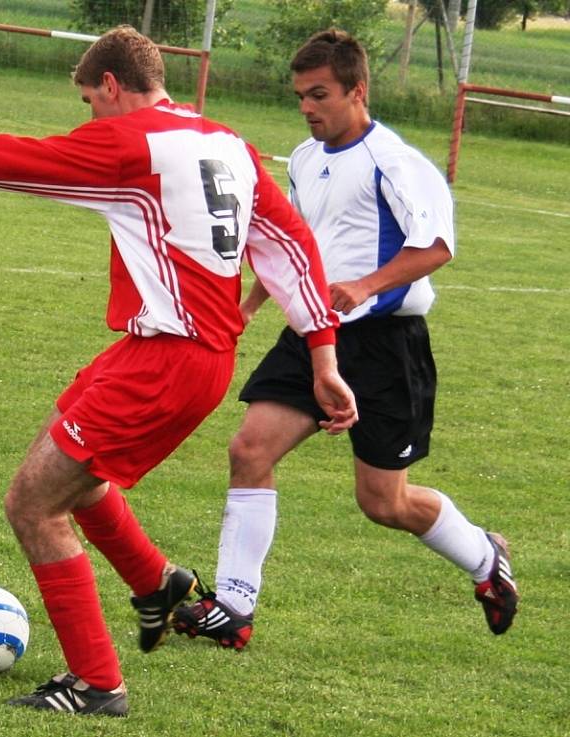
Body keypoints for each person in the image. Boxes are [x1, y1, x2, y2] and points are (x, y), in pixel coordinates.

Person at [0, 27, 357, 716]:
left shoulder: (129, 141)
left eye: (87, 100)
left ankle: (96, 683)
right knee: (71, 459)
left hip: (168, 361)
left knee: (32, 502)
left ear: (111, 85)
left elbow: (11, 159)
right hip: (169, 354)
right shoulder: (229, 144)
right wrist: (324, 355)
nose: (87, 117)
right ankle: (156, 581)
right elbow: (289, 245)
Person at [173, 28, 519, 651]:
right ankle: (233, 605)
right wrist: (252, 303)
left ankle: (485, 558)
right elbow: (296, 243)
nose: (307, 107)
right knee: (250, 449)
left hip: (388, 344)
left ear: (357, 90)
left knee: (383, 503)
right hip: (315, 330)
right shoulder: (304, 159)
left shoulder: (397, 162)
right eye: (301, 96)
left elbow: (437, 247)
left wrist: (367, 284)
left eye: (320, 94)